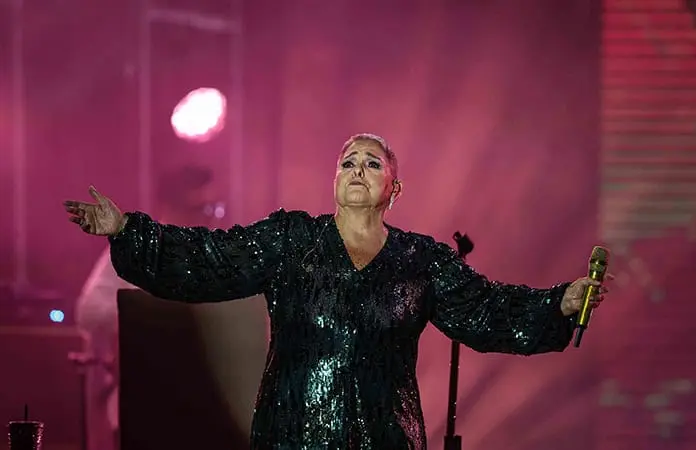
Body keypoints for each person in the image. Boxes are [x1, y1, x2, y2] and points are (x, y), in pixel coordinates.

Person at [64, 133, 610, 449]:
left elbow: (485, 308)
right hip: (293, 433)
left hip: (384, 437)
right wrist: (127, 230)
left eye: (373, 163)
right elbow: (213, 258)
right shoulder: (291, 239)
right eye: (348, 161)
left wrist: (558, 302)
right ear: (334, 180)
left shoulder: (422, 260)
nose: (358, 169)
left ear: (394, 188)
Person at [74, 165, 218, 450]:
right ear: (169, 207)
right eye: (199, 208)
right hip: (146, 400)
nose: (209, 218)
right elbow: (89, 311)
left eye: (214, 209)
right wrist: (148, 315)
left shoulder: (212, 257)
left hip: (200, 404)